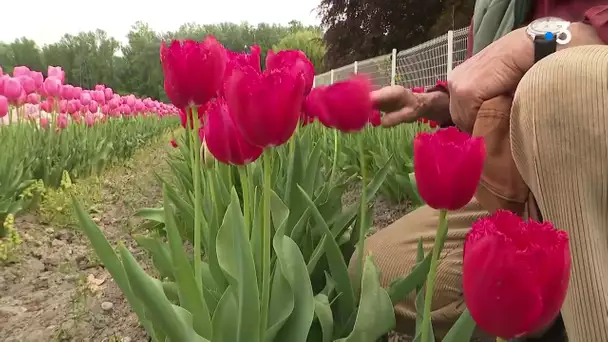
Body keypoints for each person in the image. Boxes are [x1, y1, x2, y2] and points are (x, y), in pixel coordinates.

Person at [357, 1, 608, 341]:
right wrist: (428, 103)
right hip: (517, 178)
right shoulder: (494, 7)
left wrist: (544, 40)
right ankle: (553, 296)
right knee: (373, 270)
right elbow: (492, 89)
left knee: (558, 85)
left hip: (591, 151)